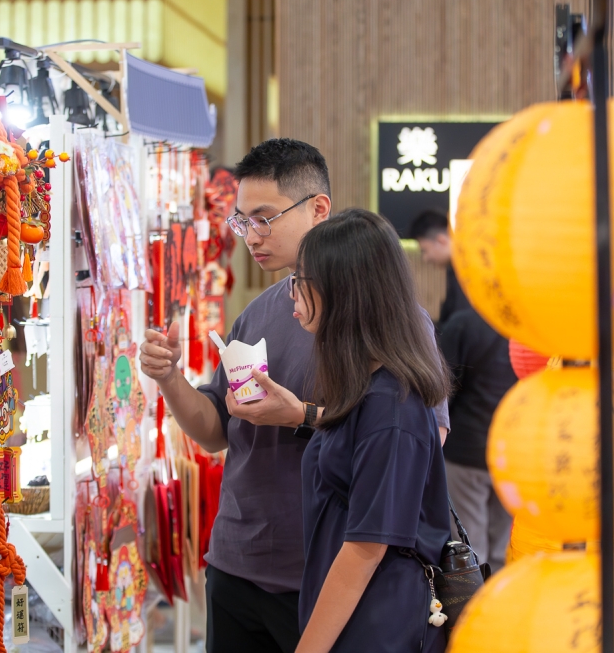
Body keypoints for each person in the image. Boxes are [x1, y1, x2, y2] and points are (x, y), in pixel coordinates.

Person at [139, 140, 449, 653]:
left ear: (318, 210)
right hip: (236, 561)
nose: (250, 237)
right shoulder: (260, 310)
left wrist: (301, 416)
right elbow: (218, 429)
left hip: (325, 576)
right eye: (241, 222)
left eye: (263, 218)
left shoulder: (391, 330)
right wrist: (170, 378)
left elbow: (417, 448)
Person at [290, 209, 452, 653]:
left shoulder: (392, 404)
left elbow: (365, 551)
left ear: (342, 290)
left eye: (300, 279)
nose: (293, 293)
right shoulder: (367, 387)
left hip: (379, 624)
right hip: (358, 615)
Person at [410, 209, 517, 572]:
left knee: (471, 545)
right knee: (504, 546)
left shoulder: (461, 325)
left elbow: (444, 388)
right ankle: (504, 611)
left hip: (467, 450)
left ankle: (478, 618)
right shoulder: (523, 325)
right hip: (513, 449)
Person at [408, 209, 470, 335]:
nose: (425, 259)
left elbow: (462, 323)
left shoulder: (467, 272)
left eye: (424, 250)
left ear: (441, 240)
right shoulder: (457, 270)